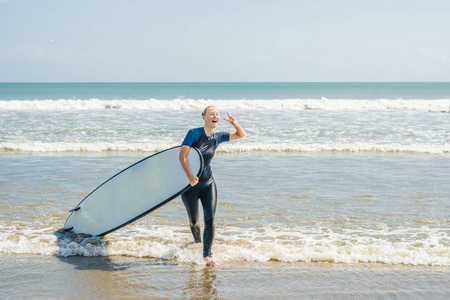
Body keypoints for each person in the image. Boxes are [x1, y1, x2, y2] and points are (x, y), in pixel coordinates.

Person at [179, 106, 245, 266]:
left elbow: (240, 135)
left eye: (217, 114)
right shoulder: (193, 133)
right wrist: (189, 176)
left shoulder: (218, 136)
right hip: (190, 186)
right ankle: (197, 243)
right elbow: (182, 156)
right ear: (204, 117)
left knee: (210, 220)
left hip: (208, 184)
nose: (215, 116)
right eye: (211, 114)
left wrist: (235, 123)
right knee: (194, 221)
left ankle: (206, 255)